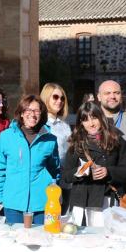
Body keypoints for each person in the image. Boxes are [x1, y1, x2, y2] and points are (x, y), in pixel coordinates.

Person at [63, 102, 126, 225]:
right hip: (81, 202)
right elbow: (66, 176)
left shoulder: (116, 140)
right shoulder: (76, 143)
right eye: (85, 120)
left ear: (101, 118)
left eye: (94, 118)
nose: (91, 123)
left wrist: (109, 172)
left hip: (107, 200)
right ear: (81, 123)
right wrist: (82, 171)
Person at [0, 95, 60, 224]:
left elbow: (55, 170)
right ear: (21, 113)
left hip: (42, 202)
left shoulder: (50, 140)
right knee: (15, 240)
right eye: (28, 110)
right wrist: (2, 197)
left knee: (41, 239)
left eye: (36, 111)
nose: (32, 115)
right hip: (13, 202)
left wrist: (52, 194)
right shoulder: (6, 137)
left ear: (41, 114)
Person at [40, 83, 72, 213]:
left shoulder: (64, 125)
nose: (59, 101)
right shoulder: (40, 125)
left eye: (62, 98)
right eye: (55, 97)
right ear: (46, 98)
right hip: (48, 181)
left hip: (65, 180)